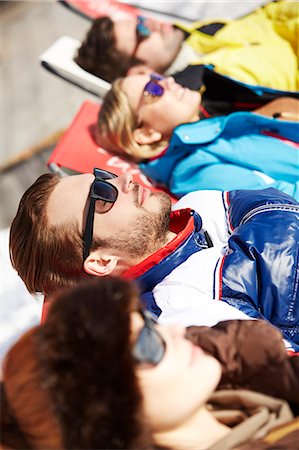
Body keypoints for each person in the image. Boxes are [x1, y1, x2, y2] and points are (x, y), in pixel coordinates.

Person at [9, 169, 299, 350]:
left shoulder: (197, 204)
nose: (124, 179)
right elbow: (283, 368)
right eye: (101, 195)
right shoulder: (180, 315)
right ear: (101, 261)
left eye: (103, 177)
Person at [1, 278, 299, 449]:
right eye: (146, 343)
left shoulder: (263, 385)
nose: (176, 329)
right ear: (108, 415)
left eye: (150, 321)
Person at [97, 74, 299, 199]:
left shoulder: (213, 131)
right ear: (146, 134)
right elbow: (284, 201)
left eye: (157, 77)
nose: (167, 81)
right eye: (152, 90)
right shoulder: (194, 171)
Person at [75, 1, 298, 92]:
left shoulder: (194, 36)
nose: (151, 23)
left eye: (141, 20)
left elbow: (268, 15)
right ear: (141, 72)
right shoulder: (209, 88)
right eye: (141, 32)